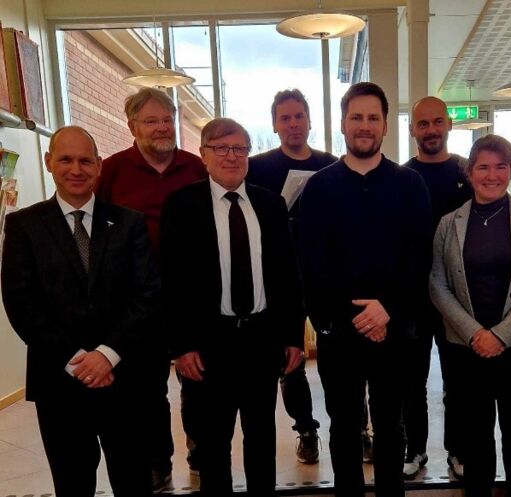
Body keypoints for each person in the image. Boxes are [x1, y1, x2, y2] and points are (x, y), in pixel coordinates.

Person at [1, 126, 159, 497]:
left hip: (124, 377)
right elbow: (22, 304)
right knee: (72, 484)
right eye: (66, 159)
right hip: (59, 382)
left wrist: (106, 355)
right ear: (48, 162)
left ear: (99, 166)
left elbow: (147, 294)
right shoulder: (24, 225)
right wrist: (77, 360)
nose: (76, 169)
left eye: (86, 160)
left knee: (134, 481)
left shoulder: (129, 222)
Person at [299, 82, 433, 497]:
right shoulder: (319, 188)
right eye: (356, 117)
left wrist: (386, 309)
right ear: (342, 123)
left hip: (395, 331)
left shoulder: (410, 185)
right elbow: (310, 263)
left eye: (373, 117)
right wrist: (352, 317)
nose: (364, 125)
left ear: (385, 126)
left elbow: (420, 257)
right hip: (340, 333)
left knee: (393, 425)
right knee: (343, 427)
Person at [160, 118, 305, 496]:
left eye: (239, 148)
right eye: (221, 148)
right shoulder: (182, 205)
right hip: (208, 345)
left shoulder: (271, 204)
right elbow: (171, 280)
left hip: (261, 340)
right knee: (212, 445)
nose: (231, 156)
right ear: (204, 154)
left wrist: (292, 337)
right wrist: (180, 346)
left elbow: (288, 276)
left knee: (261, 440)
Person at [429, 134, 511, 497]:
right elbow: (437, 283)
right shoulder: (448, 224)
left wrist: (500, 334)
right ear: (469, 172)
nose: (492, 174)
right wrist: (473, 333)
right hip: (464, 349)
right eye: (483, 166)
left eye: (501, 166)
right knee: (475, 436)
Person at [96, 87, 207, 487]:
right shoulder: (111, 170)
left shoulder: (196, 167)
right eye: (151, 121)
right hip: (137, 302)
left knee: (198, 381)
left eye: (167, 120)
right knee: (146, 390)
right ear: (132, 126)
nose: (162, 128)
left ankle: (201, 452)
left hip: (191, 299)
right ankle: (158, 463)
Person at [248, 89, 336, 463]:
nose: (293, 124)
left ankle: (357, 426)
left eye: (299, 116)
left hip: (326, 274)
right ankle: (306, 430)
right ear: (274, 124)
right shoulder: (258, 167)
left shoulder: (332, 164)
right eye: (285, 118)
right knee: (290, 357)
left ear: (310, 120)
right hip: (278, 277)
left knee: (339, 356)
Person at [401, 96, 471, 479]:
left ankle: (457, 450)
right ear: (412, 129)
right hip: (412, 297)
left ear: (448, 125)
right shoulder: (402, 177)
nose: (431, 130)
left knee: (456, 380)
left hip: (457, 299)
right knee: (412, 380)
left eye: (437, 122)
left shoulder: (466, 171)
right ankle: (414, 450)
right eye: (422, 123)